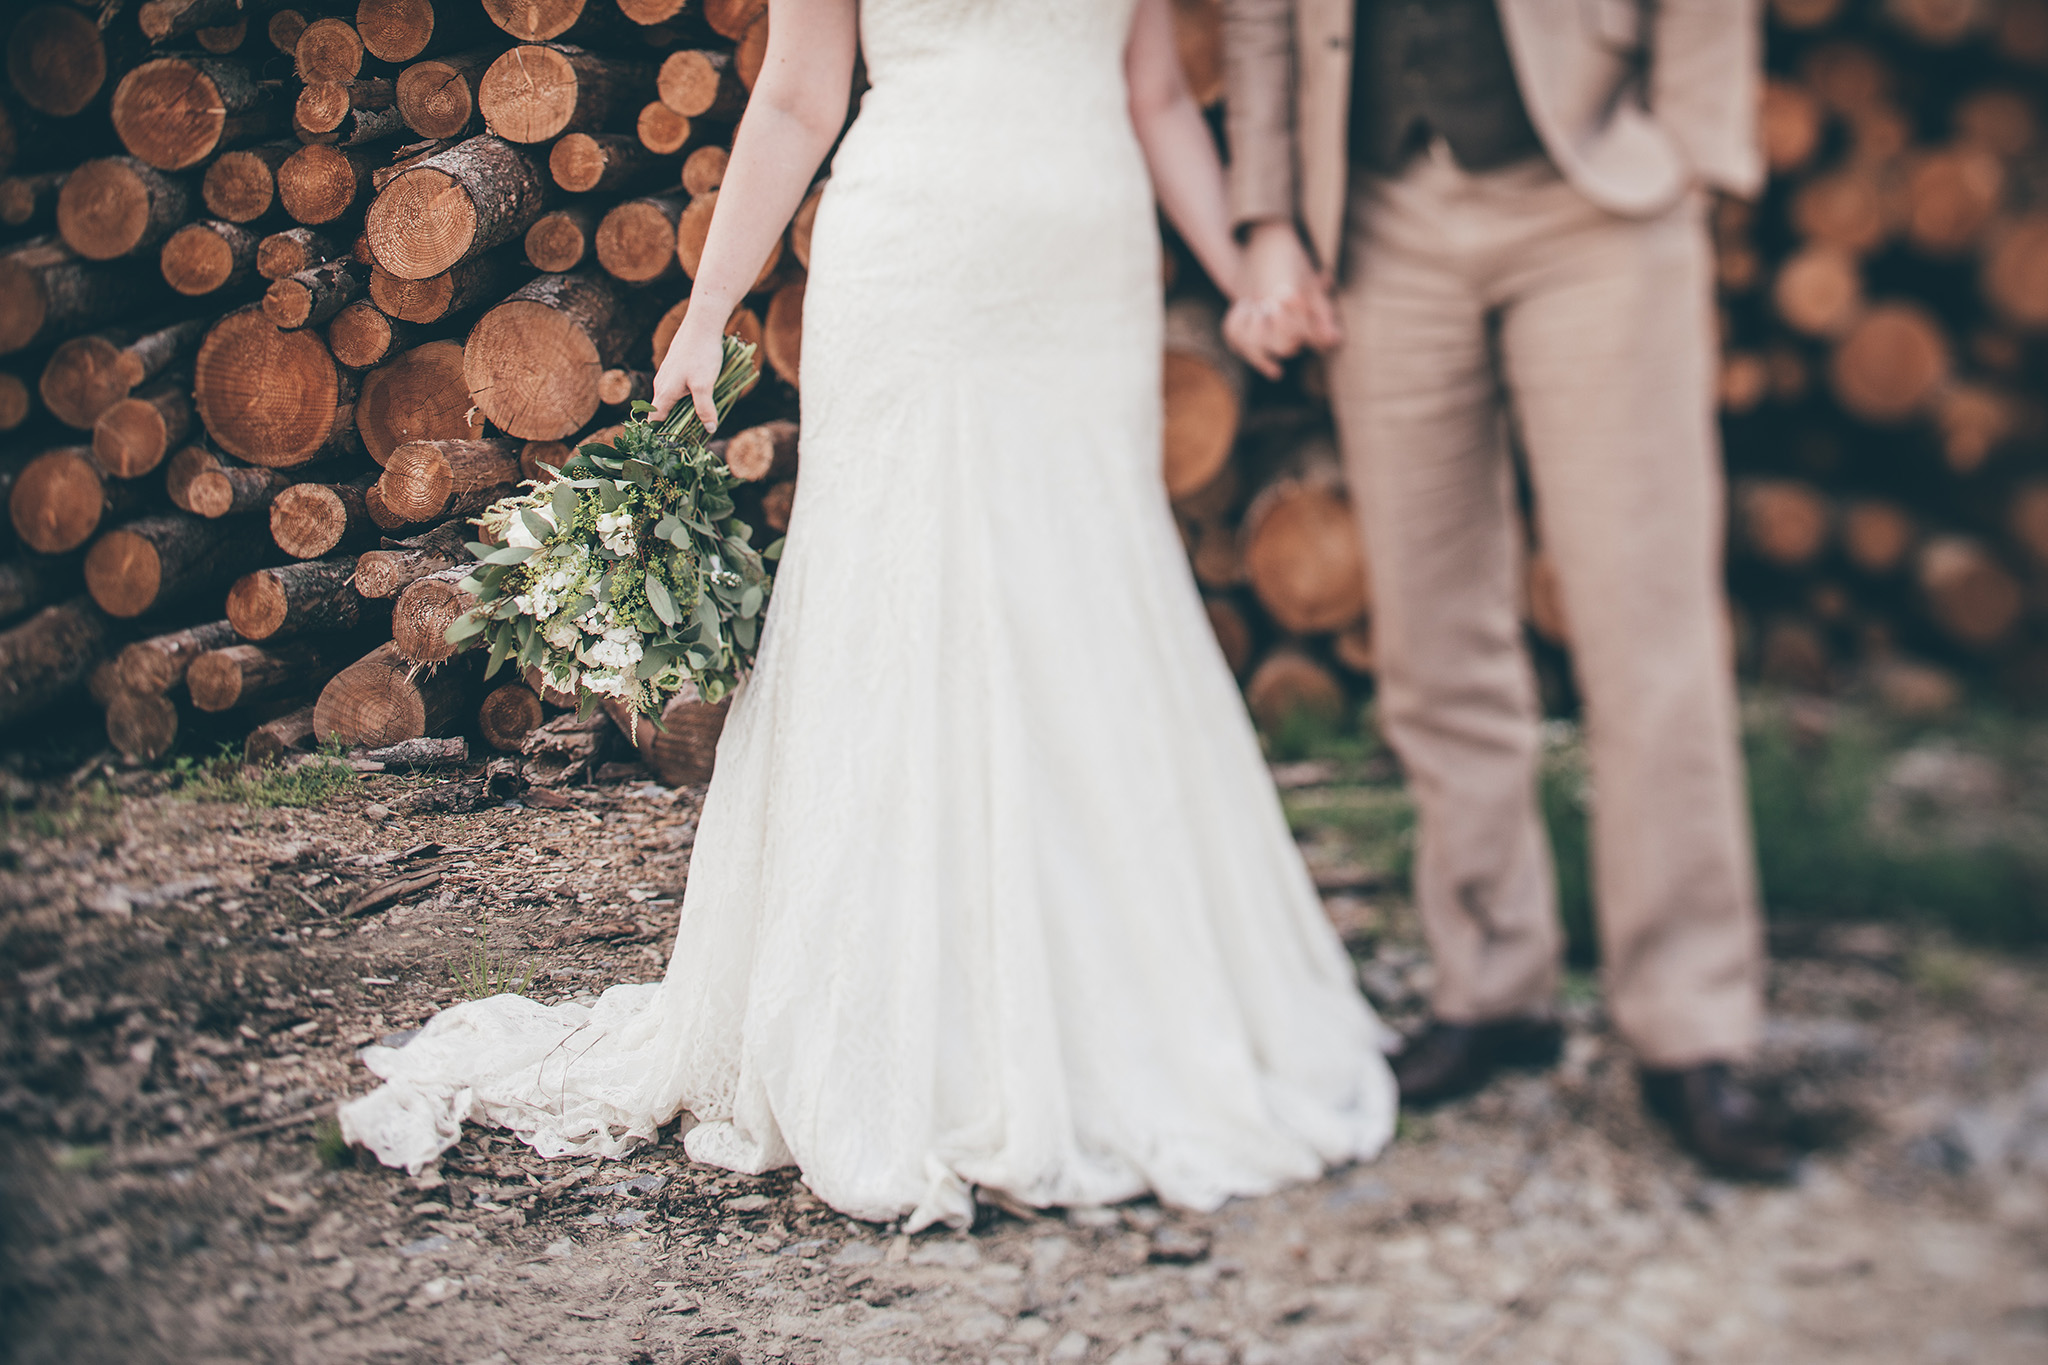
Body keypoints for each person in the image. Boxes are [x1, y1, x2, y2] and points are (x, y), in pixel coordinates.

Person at [339, 0, 1398, 1230]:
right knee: (906, 602)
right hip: (916, 264)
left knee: (1083, 591)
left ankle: (1094, 995)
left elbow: (1155, 94)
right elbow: (796, 93)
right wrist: (706, 305)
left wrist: (1244, 281)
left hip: (1083, 270)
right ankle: (899, 1019)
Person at [1220, 0, 1794, 1179]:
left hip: (1591, 200)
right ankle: (1490, 985)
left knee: (1645, 629)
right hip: (1376, 214)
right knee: (1432, 634)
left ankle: (1690, 1022)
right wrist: (1270, 216)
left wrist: (1687, 148)